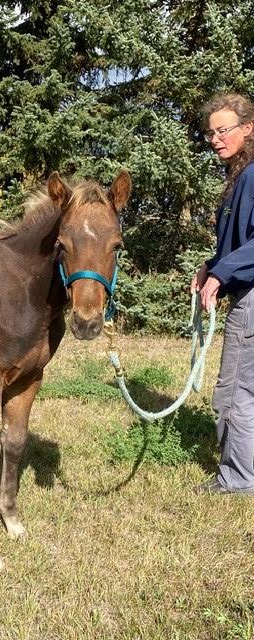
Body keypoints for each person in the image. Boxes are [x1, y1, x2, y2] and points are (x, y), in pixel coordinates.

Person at [192, 93, 254, 494]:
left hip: (251, 300)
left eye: (224, 130)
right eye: (211, 133)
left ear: (248, 129)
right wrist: (212, 267)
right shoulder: (240, 177)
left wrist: (223, 274)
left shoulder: (252, 176)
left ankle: (237, 479)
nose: (216, 138)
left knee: (234, 393)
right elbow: (238, 242)